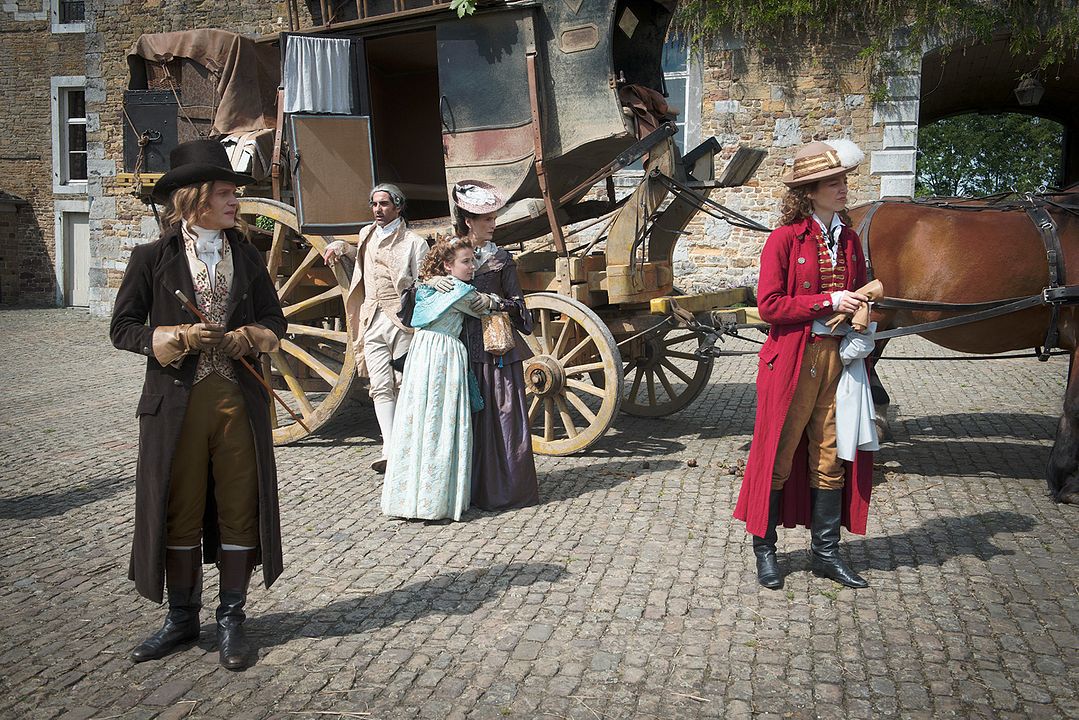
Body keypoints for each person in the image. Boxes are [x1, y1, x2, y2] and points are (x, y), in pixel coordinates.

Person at [110, 138, 286, 669]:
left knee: (239, 506)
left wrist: (248, 336)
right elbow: (122, 328)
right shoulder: (151, 258)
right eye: (226, 193)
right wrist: (173, 337)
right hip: (175, 406)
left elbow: (275, 322)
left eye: (234, 193)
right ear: (196, 197)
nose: (236, 201)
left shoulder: (247, 256)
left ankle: (232, 619)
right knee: (178, 506)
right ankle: (182, 619)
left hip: (236, 404)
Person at [733, 139, 877, 590]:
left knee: (830, 456)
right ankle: (765, 551)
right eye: (833, 183)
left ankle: (826, 554)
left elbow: (858, 292)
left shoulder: (849, 239)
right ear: (809, 192)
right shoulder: (784, 239)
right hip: (793, 360)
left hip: (839, 361)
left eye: (843, 180)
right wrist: (828, 300)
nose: (843, 188)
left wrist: (861, 314)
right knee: (778, 454)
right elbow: (770, 306)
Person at [381, 238, 494, 521]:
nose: (472, 266)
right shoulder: (459, 290)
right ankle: (434, 501)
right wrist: (493, 300)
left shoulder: (428, 288)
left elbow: (414, 288)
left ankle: (407, 498)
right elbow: (484, 308)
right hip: (443, 354)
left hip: (421, 352)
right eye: (466, 261)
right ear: (447, 265)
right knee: (439, 420)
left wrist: (428, 280)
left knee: (417, 418)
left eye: (473, 260)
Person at [444, 181, 539, 511]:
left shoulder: (501, 259)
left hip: (497, 350)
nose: (493, 224)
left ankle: (506, 489)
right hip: (459, 348)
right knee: (466, 418)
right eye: (487, 219)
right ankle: (465, 490)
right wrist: (438, 282)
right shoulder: (450, 254)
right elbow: (424, 290)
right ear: (468, 221)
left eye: (494, 218)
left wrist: (495, 303)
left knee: (503, 414)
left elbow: (521, 309)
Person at [323, 184, 429, 473]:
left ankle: (408, 445)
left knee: (404, 383)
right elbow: (359, 254)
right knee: (380, 384)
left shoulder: (414, 243)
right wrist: (340, 247)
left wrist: (418, 322)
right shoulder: (366, 234)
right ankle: (389, 447)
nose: (377, 209)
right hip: (371, 318)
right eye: (374, 204)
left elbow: (423, 286)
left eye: (384, 204)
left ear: (398, 206)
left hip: (402, 320)